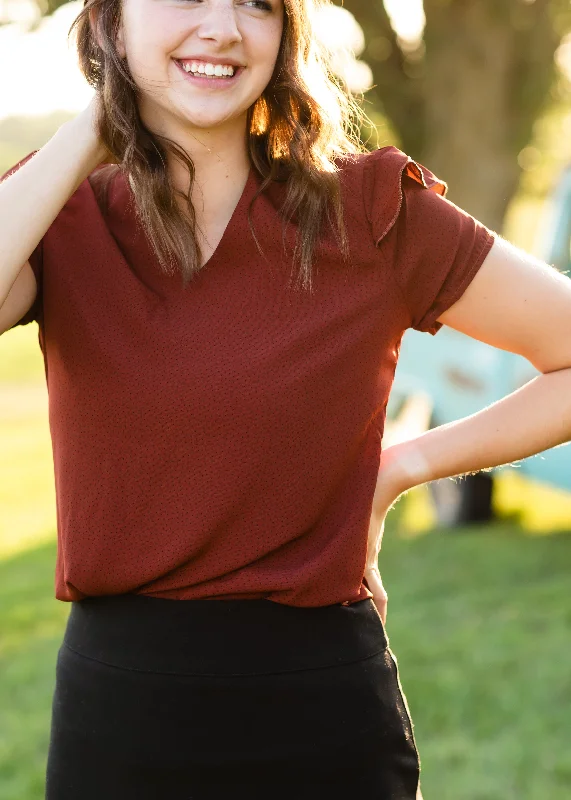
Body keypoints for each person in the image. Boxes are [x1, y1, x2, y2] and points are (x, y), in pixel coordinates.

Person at [1, 0, 570, 797]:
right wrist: (99, 114)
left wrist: (402, 465)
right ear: (109, 21)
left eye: (257, 4)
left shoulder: (373, 212)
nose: (223, 27)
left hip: (324, 714)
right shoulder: (58, 218)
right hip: (120, 717)